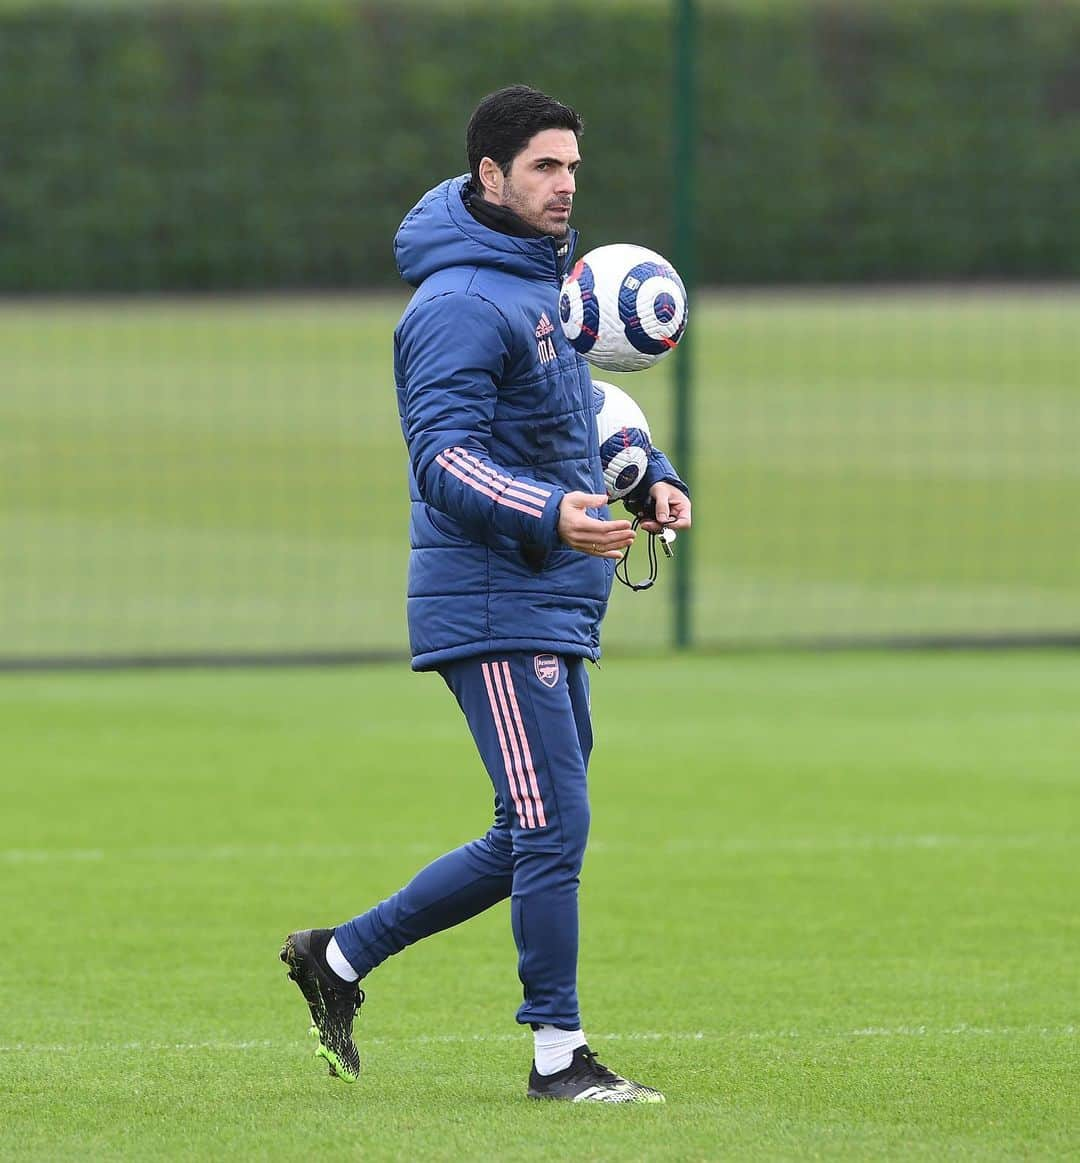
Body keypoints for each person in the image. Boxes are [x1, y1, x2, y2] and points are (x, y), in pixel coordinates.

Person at [280, 84, 691, 1104]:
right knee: (553, 827)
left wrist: (648, 469)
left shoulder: (534, 287)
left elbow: (576, 410)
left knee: (534, 828)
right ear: (491, 175)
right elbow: (445, 460)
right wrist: (553, 514)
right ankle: (561, 1056)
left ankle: (336, 959)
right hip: (496, 596)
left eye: (573, 169)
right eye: (545, 168)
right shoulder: (460, 302)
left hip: (550, 595)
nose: (565, 188)